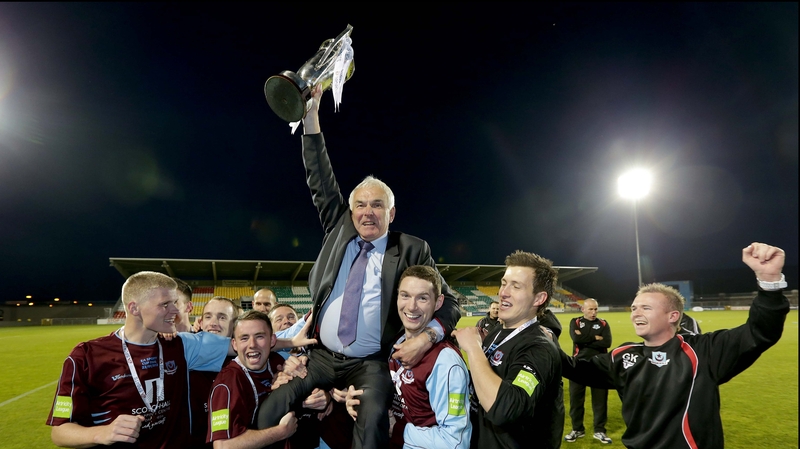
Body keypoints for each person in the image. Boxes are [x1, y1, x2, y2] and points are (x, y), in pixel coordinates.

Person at [257, 85, 461, 449]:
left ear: (391, 213)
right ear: (351, 213)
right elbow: (320, 177)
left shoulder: (411, 249)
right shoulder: (339, 229)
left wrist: (427, 337)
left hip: (370, 363)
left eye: (377, 205)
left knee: (371, 425)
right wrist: (311, 117)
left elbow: (452, 303)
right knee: (270, 410)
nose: (368, 212)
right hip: (320, 357)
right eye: (361, 205)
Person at [561, 242, 790, 449]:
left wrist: (770, 281)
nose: (636, 313)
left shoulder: (704, 351)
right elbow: (575, 368)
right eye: (634, 308)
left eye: (646, 308)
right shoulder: (623, 356)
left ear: (672, 316)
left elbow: (760, 332)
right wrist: (546, 342)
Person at [46, 271, 232, 448]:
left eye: (175, 303)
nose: (175, 310)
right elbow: (59, 432)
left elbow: (241, 345)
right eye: (165, 304)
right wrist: (101, 433)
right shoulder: (86, 356)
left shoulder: (182, 345)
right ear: (134, 308)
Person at [345, 265, 472, 448]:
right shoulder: (396, 343)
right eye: (405, 295)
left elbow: (455, 442)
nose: (412, 306)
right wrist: (360, 399)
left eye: (422, 298)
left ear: (438, 303)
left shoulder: (445, 362)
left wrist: (398, 430)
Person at [453, 250, 565, 449]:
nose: (503, 292)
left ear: (538, 298)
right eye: (504, 283)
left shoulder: (540, 349)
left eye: (516, 286)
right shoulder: (497, 332)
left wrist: (473, 348)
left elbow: (505, 408)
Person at [208, 310, 299, 448]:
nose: (252, 344)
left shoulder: (277, 362)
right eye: (244, 338)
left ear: (272, 340)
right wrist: (280, 432)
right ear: (234, 344)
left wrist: (321, 398)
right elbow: (222, 446)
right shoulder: (227, 383)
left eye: (259, 336)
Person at [188, 296, 242, 447]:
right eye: (208, 316)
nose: (213, 323)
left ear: (235, 325)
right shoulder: (186, 352)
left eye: (222, 317)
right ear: (201, 322)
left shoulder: (246, 361)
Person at [564, 298, 612, 444]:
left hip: (599, 366)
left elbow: (607, 342)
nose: (593, 312)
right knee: (576, 400)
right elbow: (576, 339)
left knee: (600, 401)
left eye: (595, 309)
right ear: (583, 309)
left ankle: (599, 431)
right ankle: (577, 429)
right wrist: (595, 338)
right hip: (578, 365)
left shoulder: (603, 323)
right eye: (590, 309)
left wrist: (585, 338)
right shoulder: (575, 322)